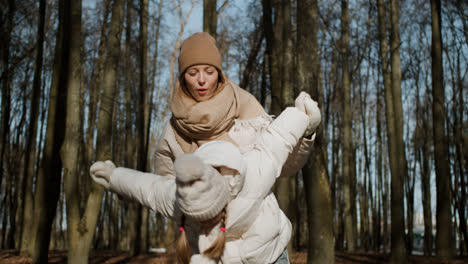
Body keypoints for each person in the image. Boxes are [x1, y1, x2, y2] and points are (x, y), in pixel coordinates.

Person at [90, 93, 321, 263]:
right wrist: (113, 176)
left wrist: (304, 116)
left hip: (271, 253)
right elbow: (148, 188)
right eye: (197, 220)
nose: (204, 225)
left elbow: (277, 139)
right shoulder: (177, 198)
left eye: (208, 219)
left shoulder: (251, 174)